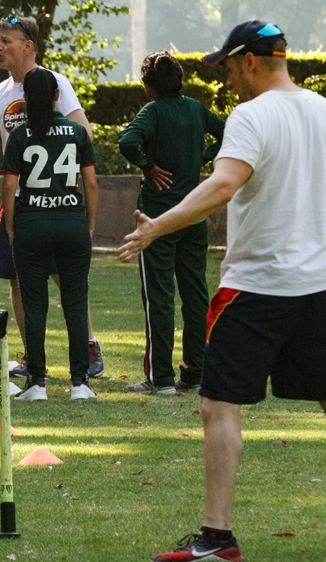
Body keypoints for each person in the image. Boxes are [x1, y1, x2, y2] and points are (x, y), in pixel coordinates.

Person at [115, 22, 326, 561]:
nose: (228, 79)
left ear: (251, 62)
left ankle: (217, 538)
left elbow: (223, 185)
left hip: (255, 292)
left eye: (229, 68)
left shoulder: (250, 117)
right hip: (320, 290)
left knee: (217, 406)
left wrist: (157, 226)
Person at [0, 15, 105, 379]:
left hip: (57, 201)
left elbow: (85, 133)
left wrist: (53, 171)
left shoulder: (55, 84)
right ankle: (34, 356)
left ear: (28, 46)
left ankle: (90, 347)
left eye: (6, 41)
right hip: (18, 202)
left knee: (66, 279)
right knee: (19, 280)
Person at [117, 51, 225, 397]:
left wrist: (148, 165)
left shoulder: (152, 112)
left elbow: (127, 141)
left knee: (159, 295)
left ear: (148, 86)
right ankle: (196, 371)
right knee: (196, 294)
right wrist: (203, 158)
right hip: (194, 214)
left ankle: (160, 377)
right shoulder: (194, 109)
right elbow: (228, 131)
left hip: (158, 217)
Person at [0, 68, 98, 401]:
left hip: (32, 224)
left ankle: (37, 383)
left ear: (26, 99)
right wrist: (90, 225)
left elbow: (10, 184)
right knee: (75, 302)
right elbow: (92, 183)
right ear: (58, 96)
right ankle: (80, 383)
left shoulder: (20, 136)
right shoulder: (77, 132)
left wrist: (12, 226)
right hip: (72, 222)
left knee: (35, 304)